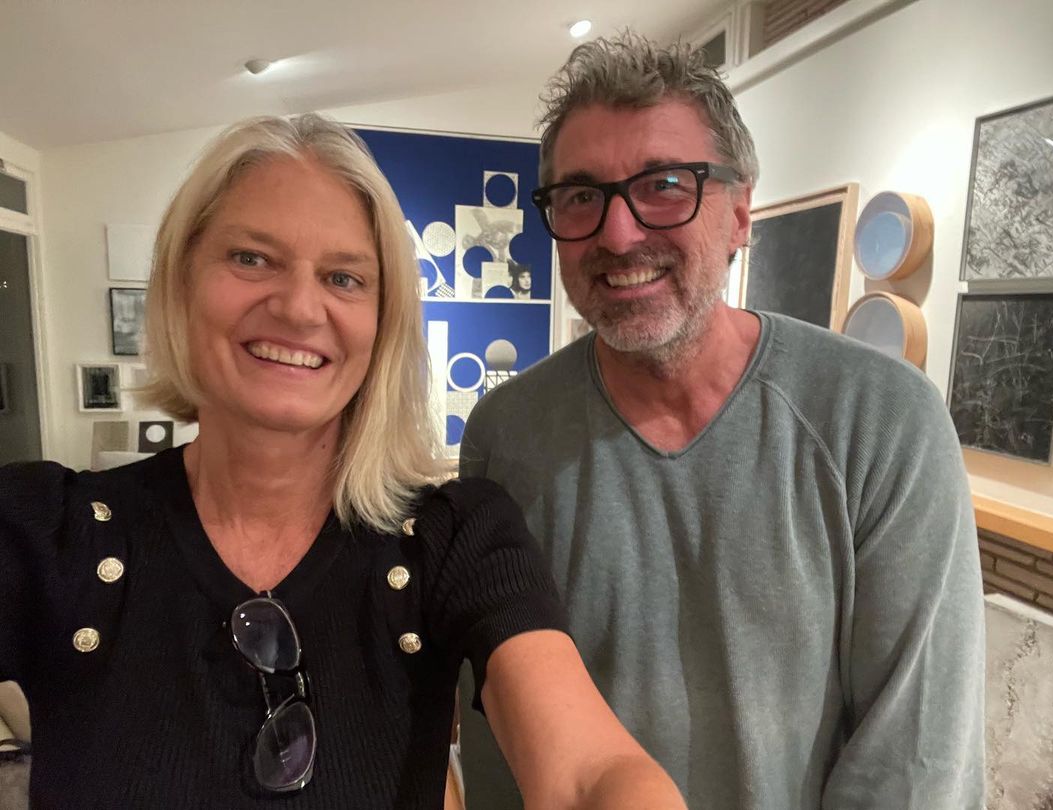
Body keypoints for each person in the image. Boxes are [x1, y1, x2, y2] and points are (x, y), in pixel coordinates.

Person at [0, 113, 687, 809]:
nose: (300, 308)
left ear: (384, 322)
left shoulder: (453, 536)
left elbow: (588, 773)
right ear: (181, 282)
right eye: (251, 258)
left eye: (343, 277)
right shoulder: (45, 530)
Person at [458, 32, 985, 810]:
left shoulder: (880, 422)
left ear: (740, 214)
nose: (618, 234)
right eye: (580, 196)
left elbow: (914, 766)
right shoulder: (507, 436)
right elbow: (500, 728)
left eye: (665, 185)